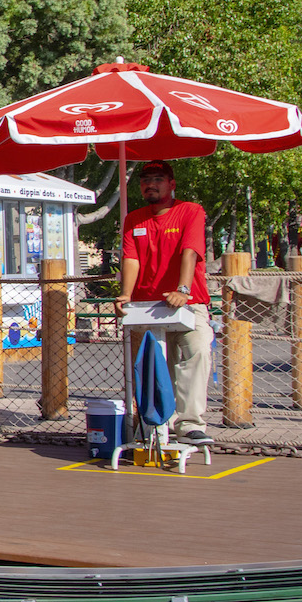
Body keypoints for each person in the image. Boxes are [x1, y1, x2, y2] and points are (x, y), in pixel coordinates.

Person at [116, 159, 214, 445]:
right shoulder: (134, 219)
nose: (151, 184)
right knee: (154, 365)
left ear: (171, 184)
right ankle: (157, 424)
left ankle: (190, 424)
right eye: (146, 180)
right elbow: (130, 258)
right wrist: (126, 293)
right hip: (147, 307)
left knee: (197, 353)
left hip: (187, 303)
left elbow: (190, 251)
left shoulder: (190, 211)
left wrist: (182, 289)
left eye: (158, 179)